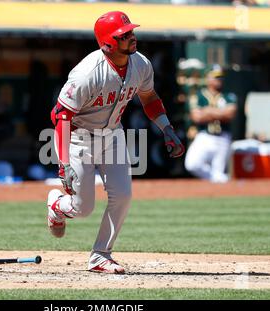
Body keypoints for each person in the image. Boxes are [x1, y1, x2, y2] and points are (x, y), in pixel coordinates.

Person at [46, 11, 184, 274]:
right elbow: (61, 116)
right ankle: (56, 206)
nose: (132, 37)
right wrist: (63, 162)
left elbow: (150, 98)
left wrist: (166, 128)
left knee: (123, 196)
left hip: (112, 134)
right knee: (82, 208)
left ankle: (100, 255)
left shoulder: (141, 64)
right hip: (79, 138)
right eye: (124, 35)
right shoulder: (87, 73)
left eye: (131, 32)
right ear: (108, 43)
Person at [184, 65, 237, 183]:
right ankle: (218, 178)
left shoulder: (229, 96)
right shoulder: (198, 96)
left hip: (223, 138)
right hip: (204, 136)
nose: (219, 80)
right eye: (215, 77)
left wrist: (207, 111)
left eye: (220, 77)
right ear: (208, 78)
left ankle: (218, 182)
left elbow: (230, 114)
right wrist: (220, 113)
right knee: (192, 164)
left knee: (219, 171)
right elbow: (196, 117)